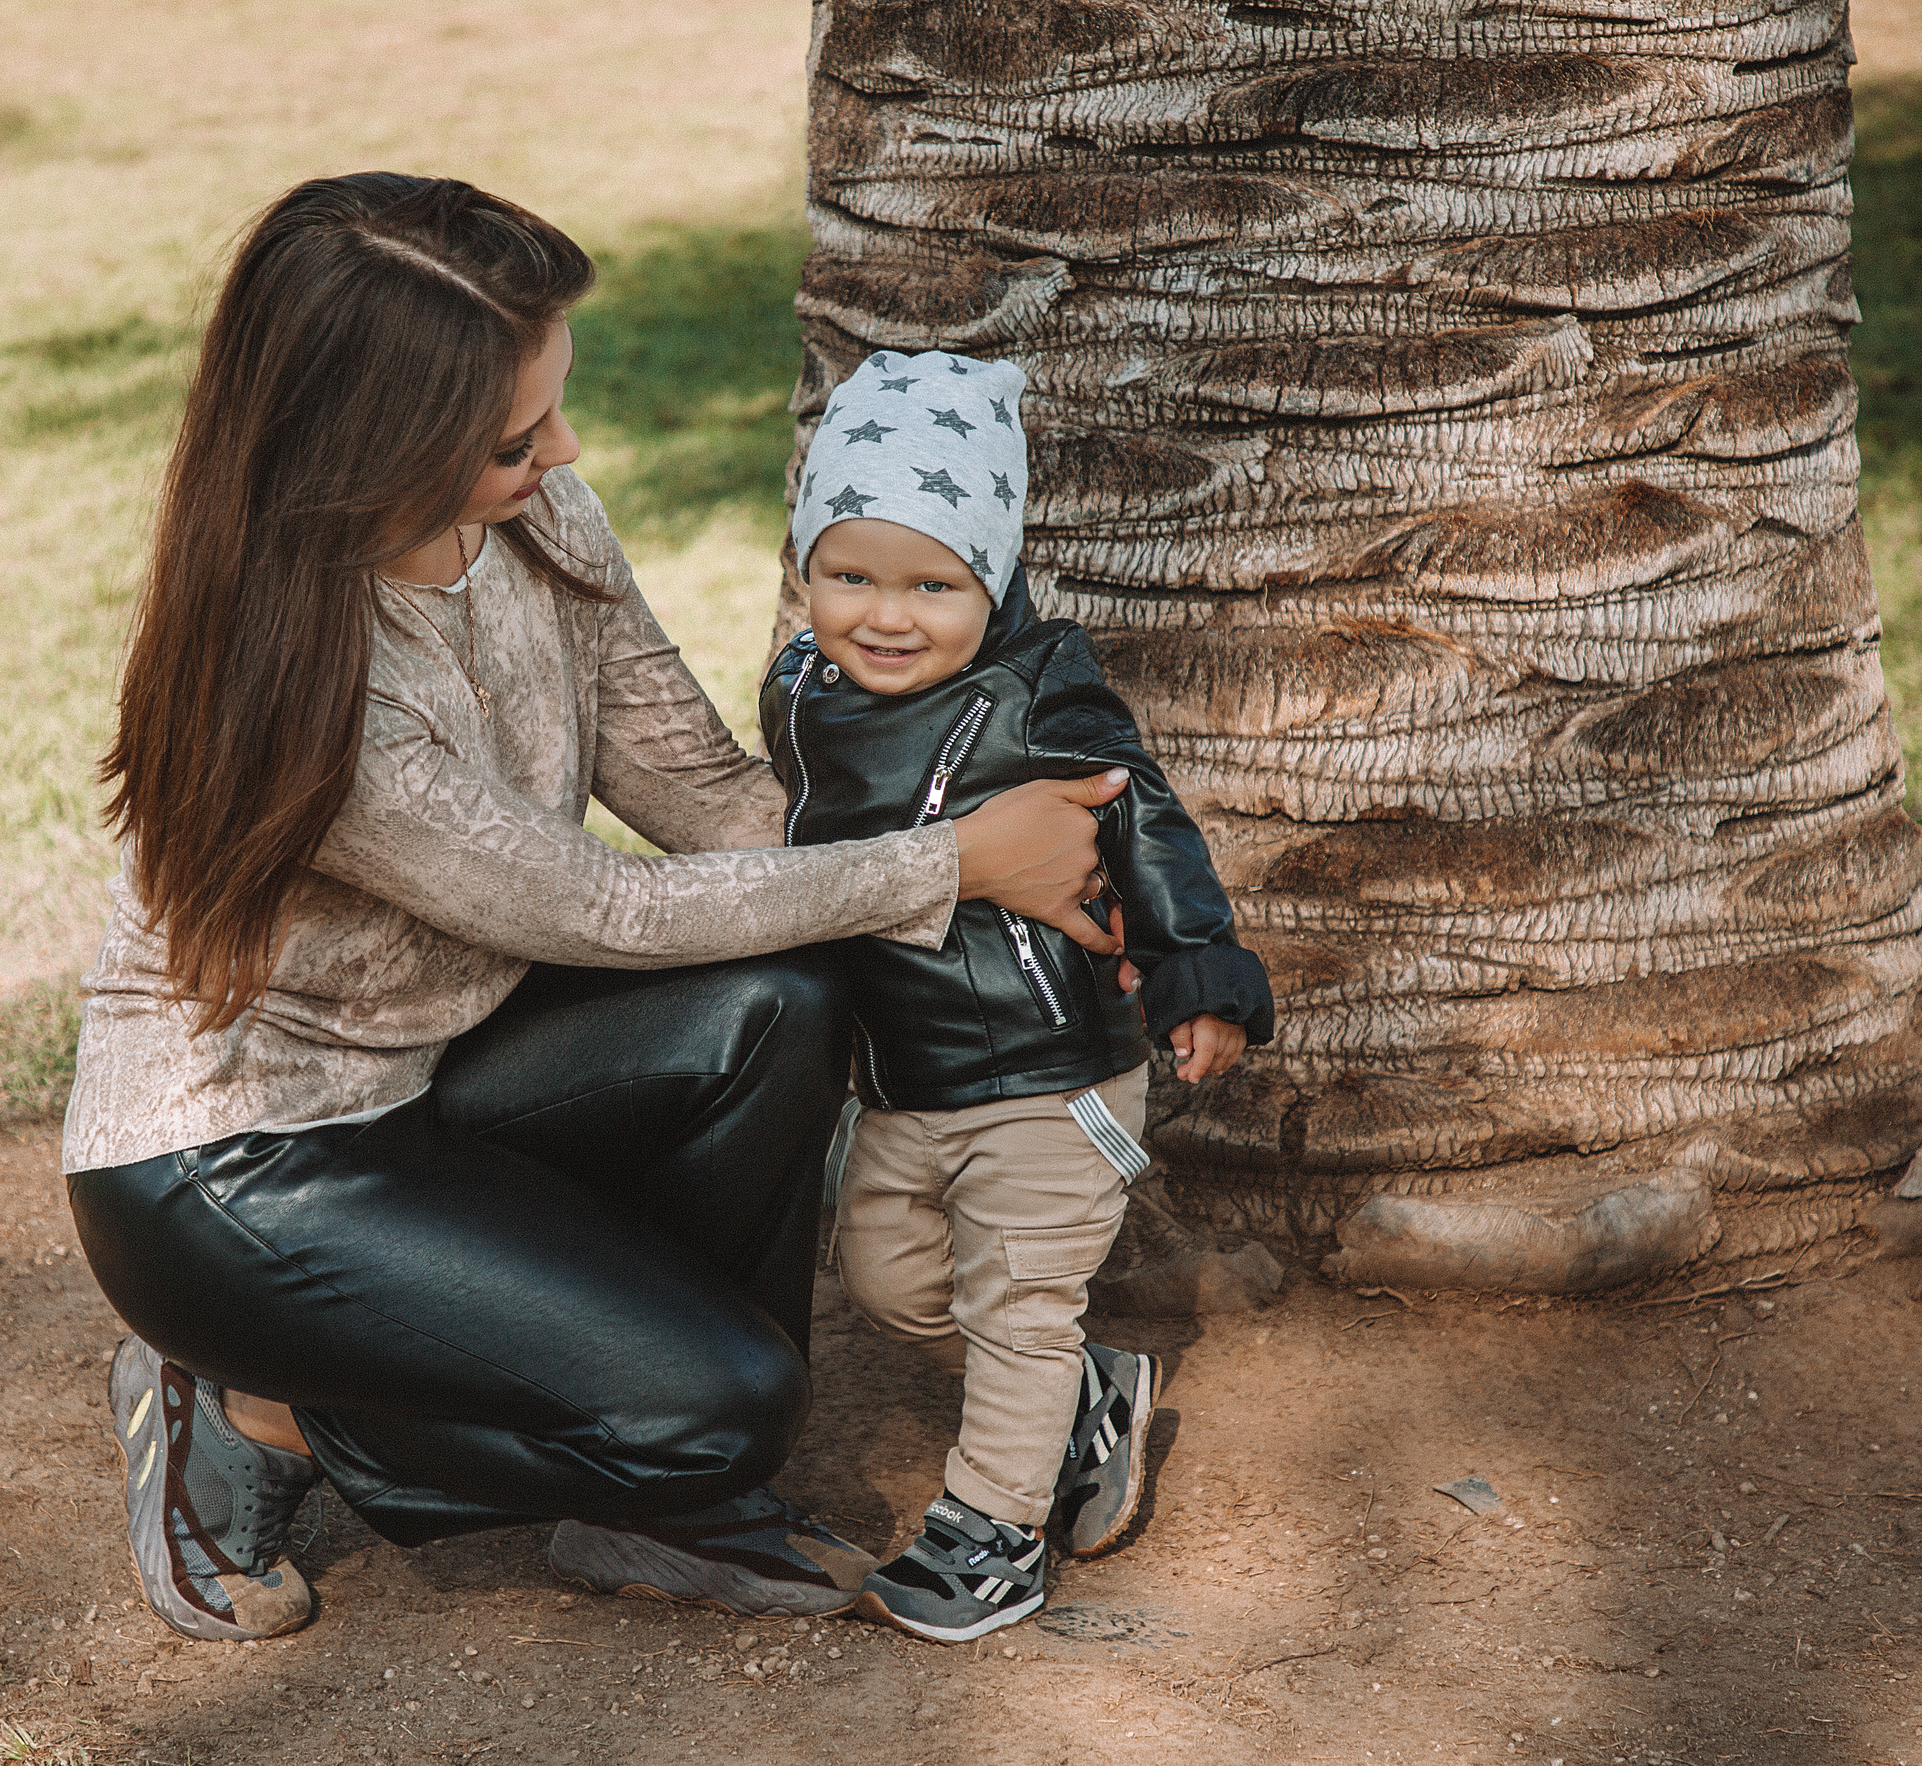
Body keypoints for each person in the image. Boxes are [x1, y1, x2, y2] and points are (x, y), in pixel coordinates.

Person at [61, 174, 1131, 1644]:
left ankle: (664, 1469)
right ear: (377, 447)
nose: (562, 450)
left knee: (786, 1002)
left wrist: (994, 913)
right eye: (514, 437)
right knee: (731, 1407)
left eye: (549, 411)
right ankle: (257, 1404)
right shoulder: (331, 692)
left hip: (443, 1064)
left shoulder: (537, 513)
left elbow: (691, 780)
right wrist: (950, 866)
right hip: (237, 1167)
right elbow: (604, 911)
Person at [757, 349, 1275, 1643]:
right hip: (906, 1074)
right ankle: (1093, 1399)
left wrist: (1195, 971)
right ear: (807, 567)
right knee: (885, 1282)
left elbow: (1143, 821)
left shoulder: (1036, 692)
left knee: (1017, 1303)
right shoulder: (801, 693)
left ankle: (990, 1531)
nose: (886, 614)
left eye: (933, 583)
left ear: (992, 577)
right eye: (849, 574)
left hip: (1054, 1070)